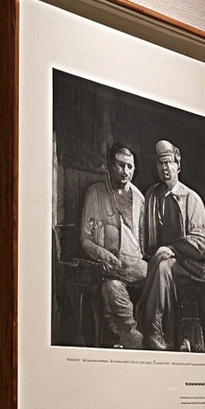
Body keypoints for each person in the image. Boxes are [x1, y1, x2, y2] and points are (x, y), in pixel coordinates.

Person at [138, 138, 205, 350]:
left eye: (169, 162)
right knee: (155, 264)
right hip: (156, 259)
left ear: (178, 164)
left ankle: (154, 330)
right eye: (160, 163)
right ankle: (142, 328)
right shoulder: (152, 196)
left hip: (190, 265)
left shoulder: (191, 199)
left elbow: (204, 244)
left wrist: (172, 249)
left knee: (163, 266)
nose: (165, 168)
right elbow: (144, 237)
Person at [77, 142, 148, 347]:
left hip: (137, 268)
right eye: (120, 165)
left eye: (130, 166)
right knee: (112, 286)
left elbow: (143, 244)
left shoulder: (140, 199)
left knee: (152, 274)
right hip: (109, 268)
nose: (125, 171)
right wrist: (106, 257)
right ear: (110, 165)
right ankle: (130, 334)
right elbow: (86, 240)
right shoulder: (95, 193)